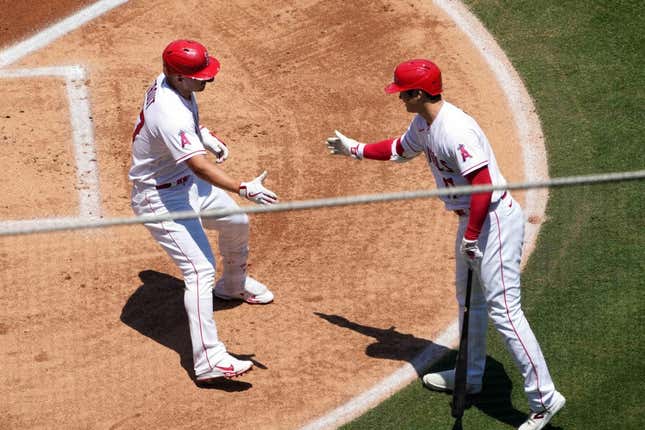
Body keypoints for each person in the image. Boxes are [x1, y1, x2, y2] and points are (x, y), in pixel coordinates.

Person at [326, 59, 565, 430]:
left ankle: (544, 399)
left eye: (402, 92)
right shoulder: (424, 122)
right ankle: (470, 376)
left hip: (493, 221)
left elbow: (483, 185)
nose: (399, 98)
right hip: (474, 222)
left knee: (505, 311)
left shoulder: (456, 131)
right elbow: (399, 150)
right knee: (470, 301)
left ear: (419, 93)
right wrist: (354, 148)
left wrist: (472, 234)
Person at [128, 39, 278, 383]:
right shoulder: (170, 112)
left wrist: (203, 134)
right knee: (199, 271)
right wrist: (243, 187)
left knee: (236, 221)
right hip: (161, 199)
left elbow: (185, 136)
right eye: (198, 77)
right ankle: (209, 360)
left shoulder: (170, 82)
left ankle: (233, 285)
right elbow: (199, 166)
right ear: (176, 75)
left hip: (184, 184)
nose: (206, 81)